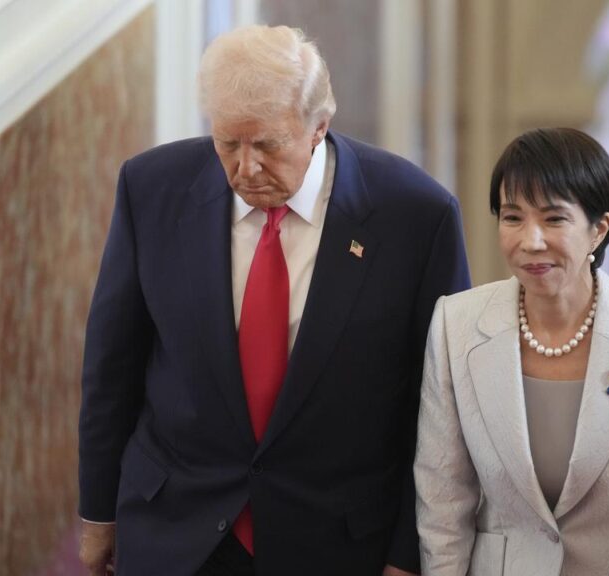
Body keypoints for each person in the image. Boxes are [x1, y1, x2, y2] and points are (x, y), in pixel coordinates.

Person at [77, 25, 470, 576]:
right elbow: (110, 368)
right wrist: (98, 514)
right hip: (177, 533)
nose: (245, 167)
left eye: (266, 144)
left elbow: (440, 409)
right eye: (227, 144)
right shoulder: (152, 189)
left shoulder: (416, 216)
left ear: (318, 128)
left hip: (336, 542)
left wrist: (410, 555)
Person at [414, 128, 609, 576]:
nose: (531, 240)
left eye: (554, 219)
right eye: (512, 217)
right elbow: (442, 493)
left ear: (598, 229)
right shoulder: (456, 325)